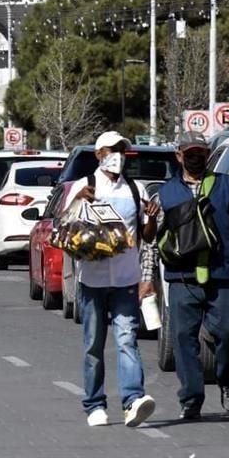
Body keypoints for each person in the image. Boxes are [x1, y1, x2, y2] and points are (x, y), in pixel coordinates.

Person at [140, 131, 229, 420]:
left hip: (222, 275)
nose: (195, 156)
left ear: (208, 155)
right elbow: (152, 241)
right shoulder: (164, 194)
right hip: (182, 278)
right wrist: (147, 279)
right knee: (184, 339)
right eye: (189, 152)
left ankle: (227, 381)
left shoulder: (225, 185)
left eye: (200, 151)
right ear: (179, 155)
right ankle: (191, 398)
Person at [66, 131, 159, 428]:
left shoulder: (136, 189)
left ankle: (133, 400)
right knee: (94, 344)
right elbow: (64, 225)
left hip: (126, 279)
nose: (117, 154)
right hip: (92, 280)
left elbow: (147, 237)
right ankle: (94, 404)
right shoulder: (85, 185)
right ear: (98, 154)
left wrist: (153, 218)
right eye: (112, 149)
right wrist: (78, 201)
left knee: (126, 339)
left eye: (122, 149)